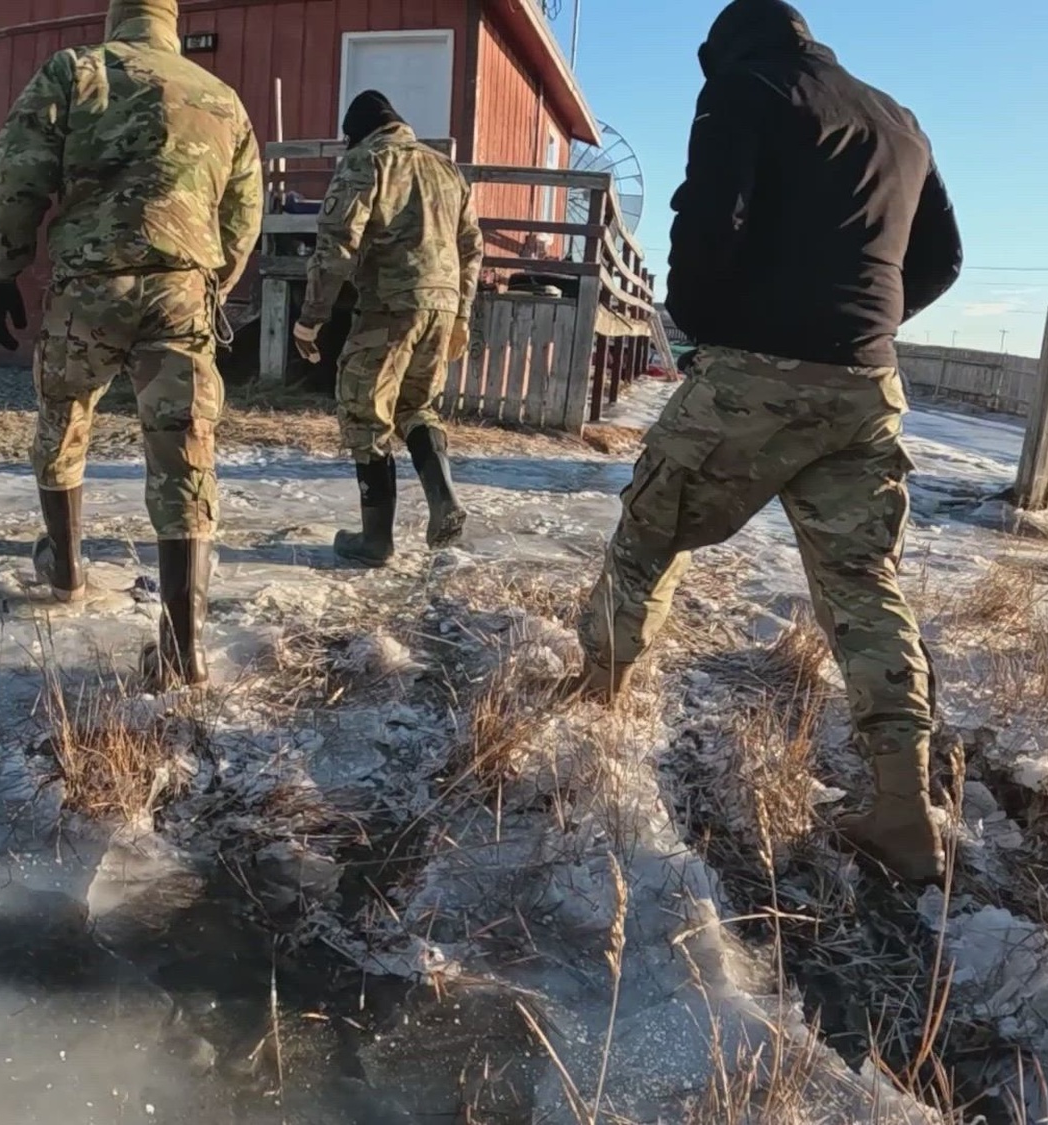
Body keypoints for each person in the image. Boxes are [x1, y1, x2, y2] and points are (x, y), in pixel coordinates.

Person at [574, 0, 964, 881]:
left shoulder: (743, 89)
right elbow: (940, 260)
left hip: (757, 375)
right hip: (867, 387)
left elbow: (705, 226)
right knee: (863, 585)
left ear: (721, 52)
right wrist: (859, 324)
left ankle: (598, 700)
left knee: (649, 530)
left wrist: (709, 331)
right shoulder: (897, 120)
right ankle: (906, 811)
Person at [0, 0, 262, 688]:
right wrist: (211, 280)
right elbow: (244, 212)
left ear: (116, 17)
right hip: (181, 291)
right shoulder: (221, 99)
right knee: (184, 449)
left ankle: (67, 569)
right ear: (169, 18)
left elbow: (19, 173)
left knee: (63, 417)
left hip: (88, 290)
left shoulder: (75, 73)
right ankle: (182, 648)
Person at [293, 91, 485, 567]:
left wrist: (311, 317)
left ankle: (375, 540)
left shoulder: (367, 159)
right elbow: (471, 246)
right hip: (441, 305)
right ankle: (444, 498)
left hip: (388, 305)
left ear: (354, 133)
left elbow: (337, 241)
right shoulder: (446, 168)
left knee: (365, 413)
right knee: (416, 405)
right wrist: (460, 313)